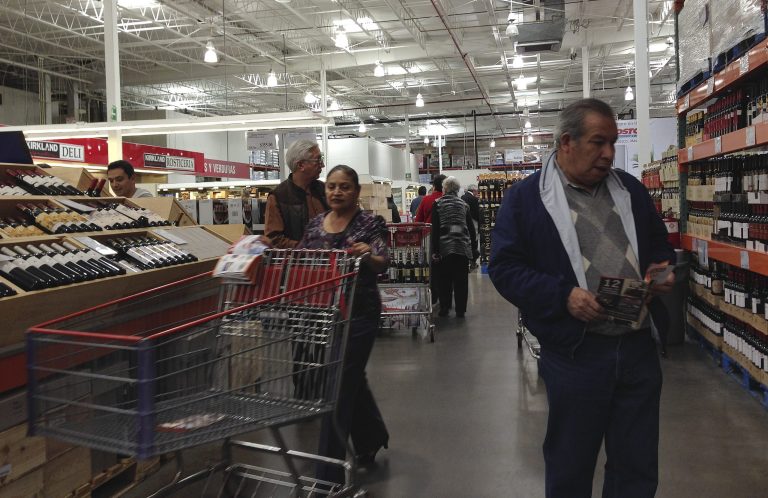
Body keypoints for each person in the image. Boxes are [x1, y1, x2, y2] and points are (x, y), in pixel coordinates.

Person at [488, 98, 675, 498]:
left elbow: (659, 246)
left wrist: (661, 271)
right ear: (566, 142)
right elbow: (504, 269)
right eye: (598, 142)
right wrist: (563, 296)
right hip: (577, 355)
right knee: (571, 465)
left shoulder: (631, 190)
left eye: (612, 142)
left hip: (637, 349)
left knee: (636, 467)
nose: (609, 153)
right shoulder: (525, 200)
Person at [298, 164, 389, 483]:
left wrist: (367, 256)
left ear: (356, 191)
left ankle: (328, 475)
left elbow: (382, 262)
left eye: (344, 186)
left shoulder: (369, 223)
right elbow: (301, 261)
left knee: (337, 384)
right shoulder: (314, 225)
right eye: (332, 186)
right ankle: (371, 436)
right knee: (349, 376)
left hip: (359, 313)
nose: (337, 192)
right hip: (325, 313)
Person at [264, 139, 329, 248]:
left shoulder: (325, 190)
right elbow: (274, 239)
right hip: (296, 263)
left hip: (329, 261)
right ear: (301, 165)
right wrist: (307, 248)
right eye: (317, 160)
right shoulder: (278, 197)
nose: (322, 165)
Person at [431, 176, 477, 318]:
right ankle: (460, 310)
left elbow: (436, 228)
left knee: (444, 279)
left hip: (444, 247)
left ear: (444, 189)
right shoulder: (464, 205)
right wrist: (473, 247)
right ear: (457, 189)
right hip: (461, 247)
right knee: (461, 280)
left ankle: (444, 307)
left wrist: (435, 250)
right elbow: (470, 228)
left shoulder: (437, 204)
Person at [461, 184, 480, 269]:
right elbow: (476, 213)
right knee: (474, 240)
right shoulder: (474, 199)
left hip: (463, 223)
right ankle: (473, 262)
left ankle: (467, 262)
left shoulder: (462, 197)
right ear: (474, 190)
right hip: (473, 222)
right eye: (477, 191)